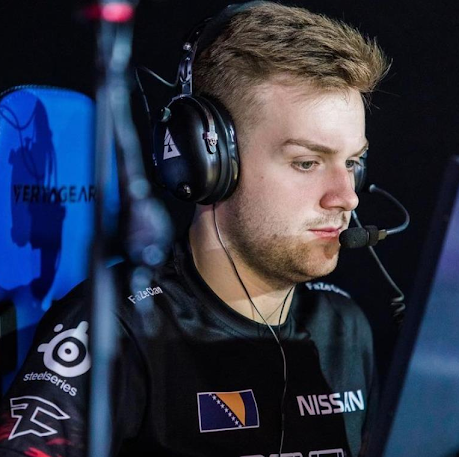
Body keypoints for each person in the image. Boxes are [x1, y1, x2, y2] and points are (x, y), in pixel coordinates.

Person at [0, 2, 388, 456]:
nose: (346, 196)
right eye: (307, 162)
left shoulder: (345, 327)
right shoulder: (114, 332)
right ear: (207, 163)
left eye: (352, 162)